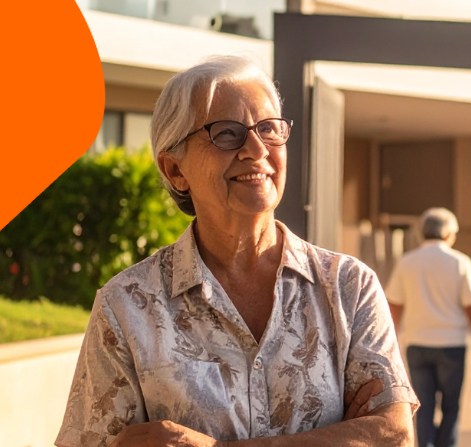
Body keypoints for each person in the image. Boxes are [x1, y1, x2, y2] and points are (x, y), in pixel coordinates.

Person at [56, 55, 418, 447]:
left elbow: (392, 435)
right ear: (175, 170)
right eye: (227, 133)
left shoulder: (348, 287)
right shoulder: (126, 307)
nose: (256, 149)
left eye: (269, 129)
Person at [385, 208, 471, 447]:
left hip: (417, 344)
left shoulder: (407, 262)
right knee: (451, 407)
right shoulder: (460, 262)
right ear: (450, 234)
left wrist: (391, 345)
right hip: (452, 344)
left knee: (423, 406)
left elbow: (394, 306)